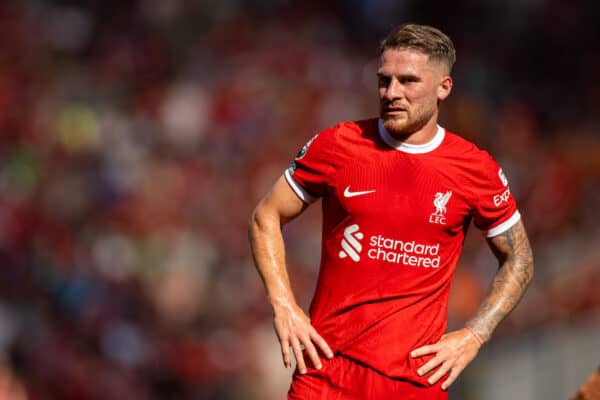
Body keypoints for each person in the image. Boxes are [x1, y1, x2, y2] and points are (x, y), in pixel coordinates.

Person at [248, 23, 534, 399]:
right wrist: (283, 305)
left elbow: (520, 257)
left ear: (443, 88)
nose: (392, 93)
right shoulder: (338, 146)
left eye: (408, 81)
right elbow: (264, 216)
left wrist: (474, 334)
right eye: (384, 80)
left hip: (414, 382)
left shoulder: (474, 169)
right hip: (325, 372)